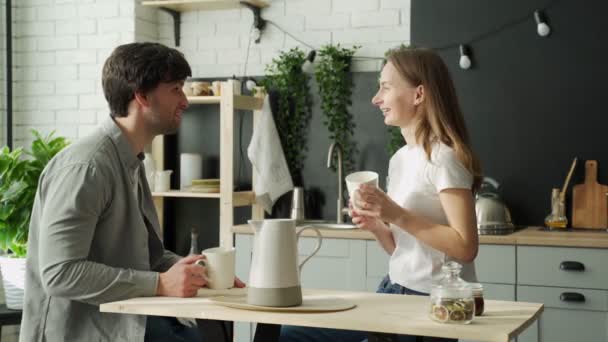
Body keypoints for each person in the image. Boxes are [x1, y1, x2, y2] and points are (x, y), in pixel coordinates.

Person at [20, 42, 244, 342]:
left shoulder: (131, 162)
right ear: (141, 96)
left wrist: (192, 271)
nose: (185, 101)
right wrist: (160, 284)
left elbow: (146, 259)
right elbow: (60, 273)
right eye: (176, 88)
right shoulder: (88, 167)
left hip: (125, 326)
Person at [280, 46, 481, 342]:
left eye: (385, 87)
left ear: (418, 94)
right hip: (393, 289)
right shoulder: (401, 159)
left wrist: (396, 214)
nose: (376, 99)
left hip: (432, 303)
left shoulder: (444, 158)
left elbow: (465, 247)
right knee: (288, 334)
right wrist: (377, 225)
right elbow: (405, 251)